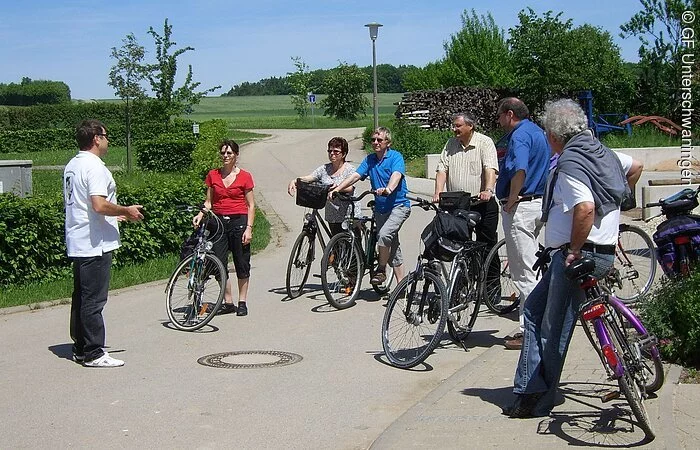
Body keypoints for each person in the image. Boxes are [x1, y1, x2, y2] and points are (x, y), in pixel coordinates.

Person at [506, 99, 627, 418]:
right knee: (540, 311)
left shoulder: (571, 161)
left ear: (554, 134)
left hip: (579, 255)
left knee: (551, 324)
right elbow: (635, 168)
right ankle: (531, 387)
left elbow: (585, 208)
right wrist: (612, 221)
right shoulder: (600, 151)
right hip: (601, 249)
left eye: (547, 132)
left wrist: (573, 250)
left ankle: (538, 397)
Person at [63, 119, 144, 367]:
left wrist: (114, 215)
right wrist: (126, 210)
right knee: (94, 299)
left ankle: (80, 346)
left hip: (79, 238)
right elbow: (98, 204)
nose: (108, 140)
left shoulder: (73, 164)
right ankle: (94, 352)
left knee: (82, 296)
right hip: (94, 242)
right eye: (106, 135)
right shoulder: (94, 167)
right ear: (96, 138)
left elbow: (85, 205)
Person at [495, 98, 550, 351]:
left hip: (522, 207)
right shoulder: (538, 131)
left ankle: (530, 330)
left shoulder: (519, 136)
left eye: (499, 116)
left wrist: (512, 199)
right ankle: (535, 325)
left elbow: (520, 169)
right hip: (537, 204)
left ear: (509, 114)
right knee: (533, 266)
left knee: (524, 272)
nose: (498, 121)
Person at [329, 126, 410, 284]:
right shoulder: (370, 159)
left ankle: (381, 269)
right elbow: (356, 175)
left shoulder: (395, 157)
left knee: (384, 235)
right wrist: (337, 188)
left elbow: (396, 175)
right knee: (390, 243)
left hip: (398, 206)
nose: (375, 142)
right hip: (380, 209)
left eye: (379, 140)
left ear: (388, 142)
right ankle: (402, 284)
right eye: (373, 139)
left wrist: (388, 188)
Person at [433, 113, 499, 291]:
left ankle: (491, 289)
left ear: (470, 126)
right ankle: (461, 287)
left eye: (457, 126)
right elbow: (441, 169)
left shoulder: (484, 142)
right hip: (458, 204)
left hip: (482, 203)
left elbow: (490, 168)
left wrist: (488, 190)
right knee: (459, 245)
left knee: (487, 246)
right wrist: (438, 192)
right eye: (453, 126)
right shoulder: (450, 144)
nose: (454, 129)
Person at [193, 140, 255, 316]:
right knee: (218, 263)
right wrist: (201, 214)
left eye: (229, 153)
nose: (225, 156)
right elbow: (209, 202)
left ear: (236, 155)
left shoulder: (245, 176)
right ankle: (228, 302)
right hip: (218, 223)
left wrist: (248, 228)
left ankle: (242, 302)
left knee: (242, 262)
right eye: (223, 153)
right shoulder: (213, 175)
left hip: (239, 221)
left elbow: (251, 205)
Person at [287, 137, 360, 235]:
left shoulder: (350, 169)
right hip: (332, 214)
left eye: (336, 151)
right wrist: (295, 181)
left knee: (352, 247)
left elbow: (350, 187)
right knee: (335, 247)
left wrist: (337, 188)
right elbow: (310, 177)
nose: (332, 154)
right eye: (330, 151)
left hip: (348, 214)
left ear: (344, 154)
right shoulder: (325, 169)